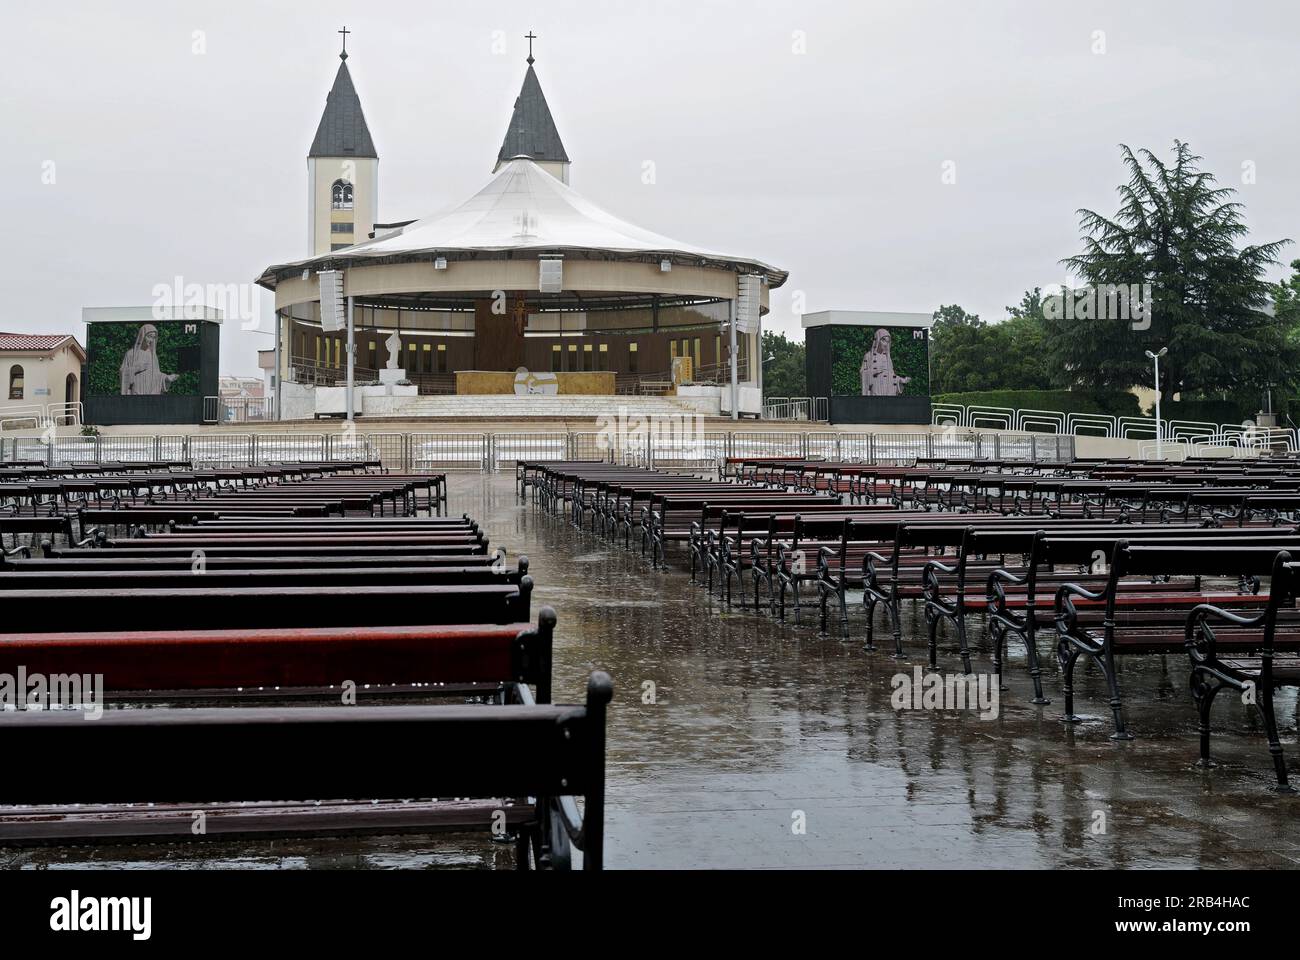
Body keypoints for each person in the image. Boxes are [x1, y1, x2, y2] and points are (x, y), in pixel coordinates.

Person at [118, 324, 178, 396]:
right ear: (142, 336)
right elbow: (123, 372)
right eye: (149, 337)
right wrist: (137, 368)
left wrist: (166, 378)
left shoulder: (153, 356)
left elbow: (157, 376)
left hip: (150, 392)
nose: (151, 340)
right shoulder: (130, 354)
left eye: (153, 338)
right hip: (136, 391)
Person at [859, 328, 910, 397]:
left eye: (888, 341)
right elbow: (863, 373)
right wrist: (875, 371)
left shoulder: (887, 358)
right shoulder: (868, 356)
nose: (886, 344)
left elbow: (891, 375)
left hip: (888, 391)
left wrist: (900, 380)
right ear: (877, 340)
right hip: (875, 390)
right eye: (883, 340)